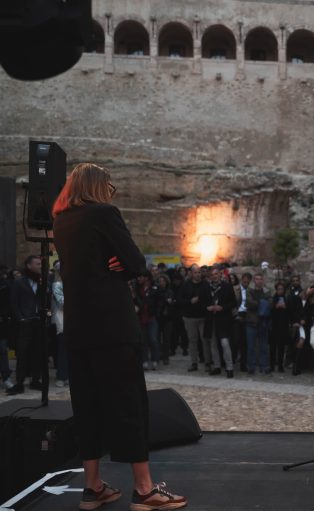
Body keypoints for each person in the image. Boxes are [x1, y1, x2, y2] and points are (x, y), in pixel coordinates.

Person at [52, 162, 186, 510]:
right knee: (128, 405)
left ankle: (93, 487)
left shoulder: (62, 220)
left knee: (88, 406)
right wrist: (121, 263)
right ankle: (144, 490)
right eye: (108, 185)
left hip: (78, 327)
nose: (111, 190)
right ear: (99, 186)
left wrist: (113, 262)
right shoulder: (104, 214)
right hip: (111, 326)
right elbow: (136, 262)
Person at [6, 255, 43, 395]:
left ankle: (35, 380)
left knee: (38, 352)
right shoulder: (19, 282)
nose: (40, 266)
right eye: (37, 264)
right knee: (22, 353)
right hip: (25, 322)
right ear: (29, 266)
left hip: (37, 322)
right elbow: (14, 303)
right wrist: (20, 318)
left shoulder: (41, 281)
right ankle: (20, 382)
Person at [177, 265, 212, 372]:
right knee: (192, 341)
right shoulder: (186, 285)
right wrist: (190, 301)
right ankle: (194, 363)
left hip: (203, 316)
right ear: (191, 273)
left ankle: (207, 362)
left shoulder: (205, 284)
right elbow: (179, 300)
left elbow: (209, 299)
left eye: (199, 272)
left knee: (205, 340)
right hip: (189, 317)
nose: (198, 274)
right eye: (196, 273)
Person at [203, 267, 236, 378]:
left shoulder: (227, 287)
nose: (214, 276)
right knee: (213, 345)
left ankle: (229, 368)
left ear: (220, 275)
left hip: (223, 320)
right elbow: (202, 303)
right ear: (210, 276)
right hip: (211, 320)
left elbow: (233, 302)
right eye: (212, 275)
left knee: (225, 344)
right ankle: (217, 366)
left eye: (216, 274)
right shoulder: (206, 288)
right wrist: (207, 307)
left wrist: (222, 307)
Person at [245, 273, 271, 374]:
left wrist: (260, 303)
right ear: (254, 281)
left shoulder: (267, 291)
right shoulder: (249, 291)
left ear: (263, 281)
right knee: (251, 346)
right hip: (251, 322)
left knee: (263, 346)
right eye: (257, 279)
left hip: (263, 323)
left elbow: (270, 303)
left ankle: (263, 366)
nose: (259, 281)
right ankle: (251, 367)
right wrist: (262, 303)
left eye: (260, 279)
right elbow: (249, 303)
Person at [51, 262, 68, 387]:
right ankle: (61, 376)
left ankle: (68, 375)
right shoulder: (57, 284)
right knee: (63, 349)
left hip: (74, 319)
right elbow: (62, 302)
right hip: (62, 319)